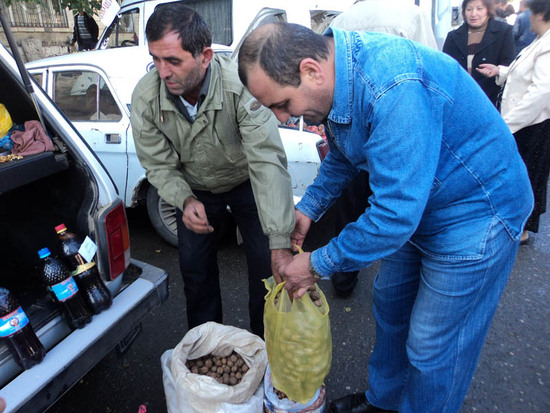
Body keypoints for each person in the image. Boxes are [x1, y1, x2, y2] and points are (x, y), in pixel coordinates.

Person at [238, 22, 533, 413]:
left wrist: (315, 262)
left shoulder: (393, 86)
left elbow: (394, 217)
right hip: (420, 200)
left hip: (476, 210)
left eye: (282, 104)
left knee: (431, 345)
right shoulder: (336, 78)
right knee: (390, 304)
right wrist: (308, 208)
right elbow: (345, 150)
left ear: (310, 70)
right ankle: (384, 403)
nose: (280, 117)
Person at [130, 4, 295, 338]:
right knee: (195, 272)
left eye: (173, 61)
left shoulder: (241, 86)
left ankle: (265, 348)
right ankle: (207, 349)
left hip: (247, 182)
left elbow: (267, 162)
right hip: (195, 190)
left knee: (268, 269)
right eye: (156, 59)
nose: (163, 72)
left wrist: (280, 239)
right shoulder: (146, 98)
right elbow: (158, 164)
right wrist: (184, 199)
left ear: (205, 56)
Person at [327, 0, 438, 298]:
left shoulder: (342, 20)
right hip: (403, 133)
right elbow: (431, 70)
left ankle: (344, 278)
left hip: (355, 133)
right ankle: (400, 278)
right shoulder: (411, 15)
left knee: (350, 207)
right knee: (397, 206)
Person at [477, 0, 550, 245]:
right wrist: (500, 71)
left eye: (529, 11)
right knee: (520, 173)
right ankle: (516, 223)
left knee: (528, 175)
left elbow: (541, 91)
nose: (526, 17)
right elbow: (524, 74)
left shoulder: (548, 44)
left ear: (540, 14)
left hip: (533, 125)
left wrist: (507, 124)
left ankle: (523, 229)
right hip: (525, 122)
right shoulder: (540, 41)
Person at [443, 0, 516, 106]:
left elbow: (509, 65)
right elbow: (446, 68)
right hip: (461, 100)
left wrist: (497, 70)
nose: (473, 14)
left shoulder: (503, 31)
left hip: (491, 99)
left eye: (479, 9)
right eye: (469, 9)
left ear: (488, 10)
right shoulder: (453, 36)